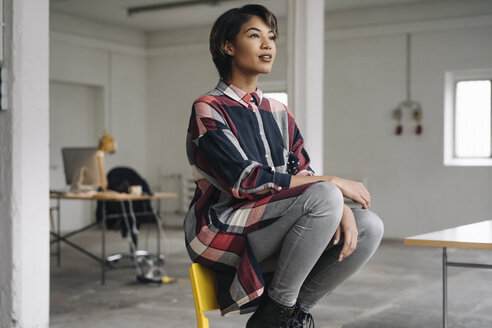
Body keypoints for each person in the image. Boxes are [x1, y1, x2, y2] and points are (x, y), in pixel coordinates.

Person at [184, 4, 384, 328]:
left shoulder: (279, 111)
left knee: (369, 227)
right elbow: (244, 179)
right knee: (326, 195)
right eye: (255, 35)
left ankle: (284, 314)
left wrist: (339, 206)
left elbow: (301, 170)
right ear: (228, 46)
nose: (268, 45)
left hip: (269, 224)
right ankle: (278, 314)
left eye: (272, 37)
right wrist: (331, 185)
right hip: (221, 227)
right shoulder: (209, 107)